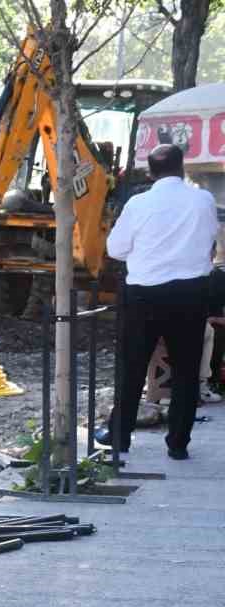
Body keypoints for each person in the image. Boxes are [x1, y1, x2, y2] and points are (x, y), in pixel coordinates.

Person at [105, 143, 222, 460]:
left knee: (131, 367)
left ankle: (120, 439)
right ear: (182, 167)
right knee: (186, 369)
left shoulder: (138, 203)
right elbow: (211, 237)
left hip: (144, 294)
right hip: (190, 293)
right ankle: (179, 443)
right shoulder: (203, 200)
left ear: (151, 172)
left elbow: (115, 249)